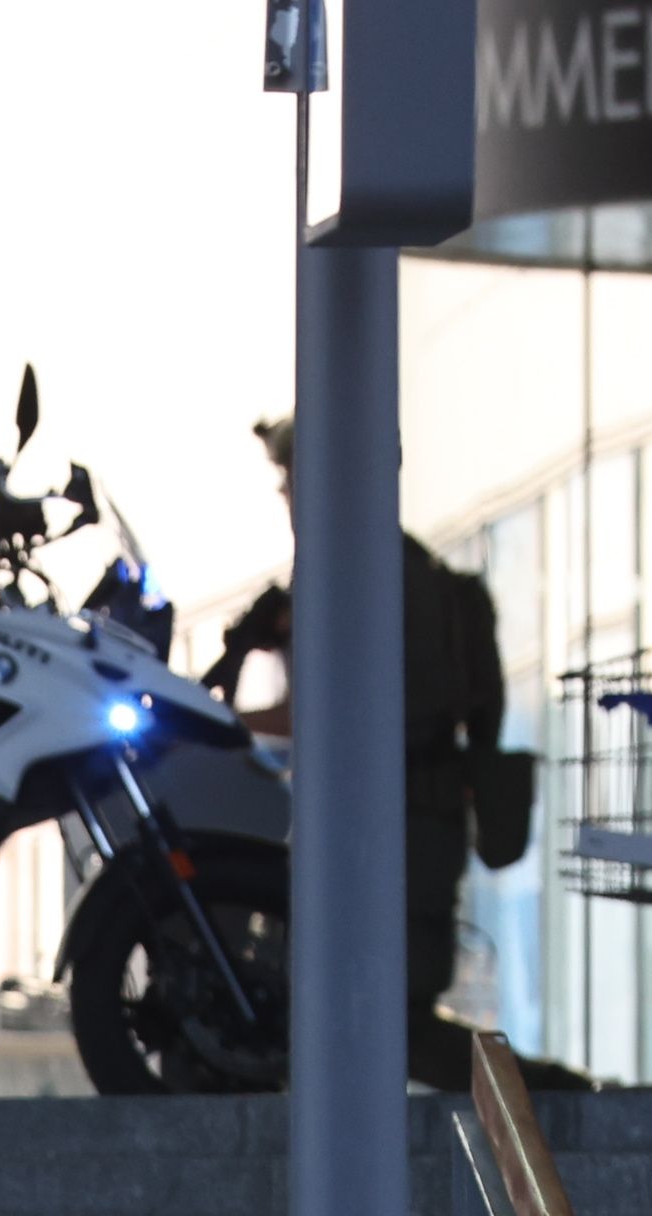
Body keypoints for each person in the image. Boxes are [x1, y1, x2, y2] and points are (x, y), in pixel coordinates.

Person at [217, 413, 528, 1087]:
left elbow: (318, 716)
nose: (289, 498)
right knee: (377, 1023)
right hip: (411, 826)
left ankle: (559, 1102)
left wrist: (221, 723)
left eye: (293, 480)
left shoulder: (355, 575)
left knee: (388, 1026)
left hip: (395, 830)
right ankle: (556, 1101)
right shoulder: (399, 567)